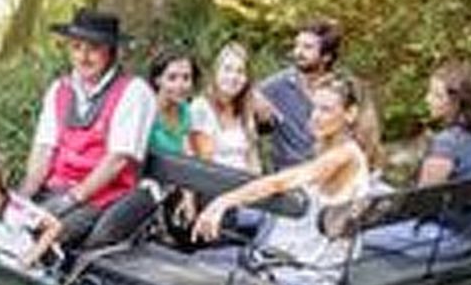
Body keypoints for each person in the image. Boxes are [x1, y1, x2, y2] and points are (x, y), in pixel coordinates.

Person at [193, 74, 372, 285]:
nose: (315, 116)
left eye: (326, 110)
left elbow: (280, 182)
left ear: (350, 114)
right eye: (314, 108)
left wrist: (222, 202)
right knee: (203, 258)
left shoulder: (346, 155)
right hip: (290, 257)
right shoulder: (331, 150)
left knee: (202, 265)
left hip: (309, 270)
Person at [21, 7, 159, 253]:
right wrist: (22, 198)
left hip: (100, 198)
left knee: (36, 237)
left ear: (110, 52)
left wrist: (71, 199)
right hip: (53, 191)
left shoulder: (134, 92)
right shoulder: (59, 89)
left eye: (93, 49)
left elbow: (118, 160)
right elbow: (43, 149)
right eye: (76, 47)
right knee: (1, 224)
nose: (83, 57)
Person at [361, 62, 471, 260]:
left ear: (457, 102)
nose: (427, 100)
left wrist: (374, 212)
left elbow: (418, 205)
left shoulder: (447, 144)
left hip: (442, 239)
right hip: (467, 233)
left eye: (436, 95)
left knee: (353, 234)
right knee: (374, 188)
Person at [252, 18, 342, 170]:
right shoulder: (275, 86)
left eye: (307, 47)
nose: (298, 52)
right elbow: (240, 98)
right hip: (288, 176)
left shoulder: (341, 88)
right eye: (297, 45)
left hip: (328, 173)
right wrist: (257, 108)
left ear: (327, 57)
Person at [197, 41, 264, 172]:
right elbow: (204, 164)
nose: (233, 77)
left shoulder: (246, 110)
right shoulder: (202, 108)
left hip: (246, 185)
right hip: (214, 186)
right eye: (227, 69)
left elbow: (253, 159)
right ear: (216, 72)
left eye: (240, 72)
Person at [143, 46, 212, 161]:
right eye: (172, 78)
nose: (180, 85)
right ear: (158, 80)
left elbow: (187, 152)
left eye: (186, 78)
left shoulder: (185, 111)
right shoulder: (146, 111)